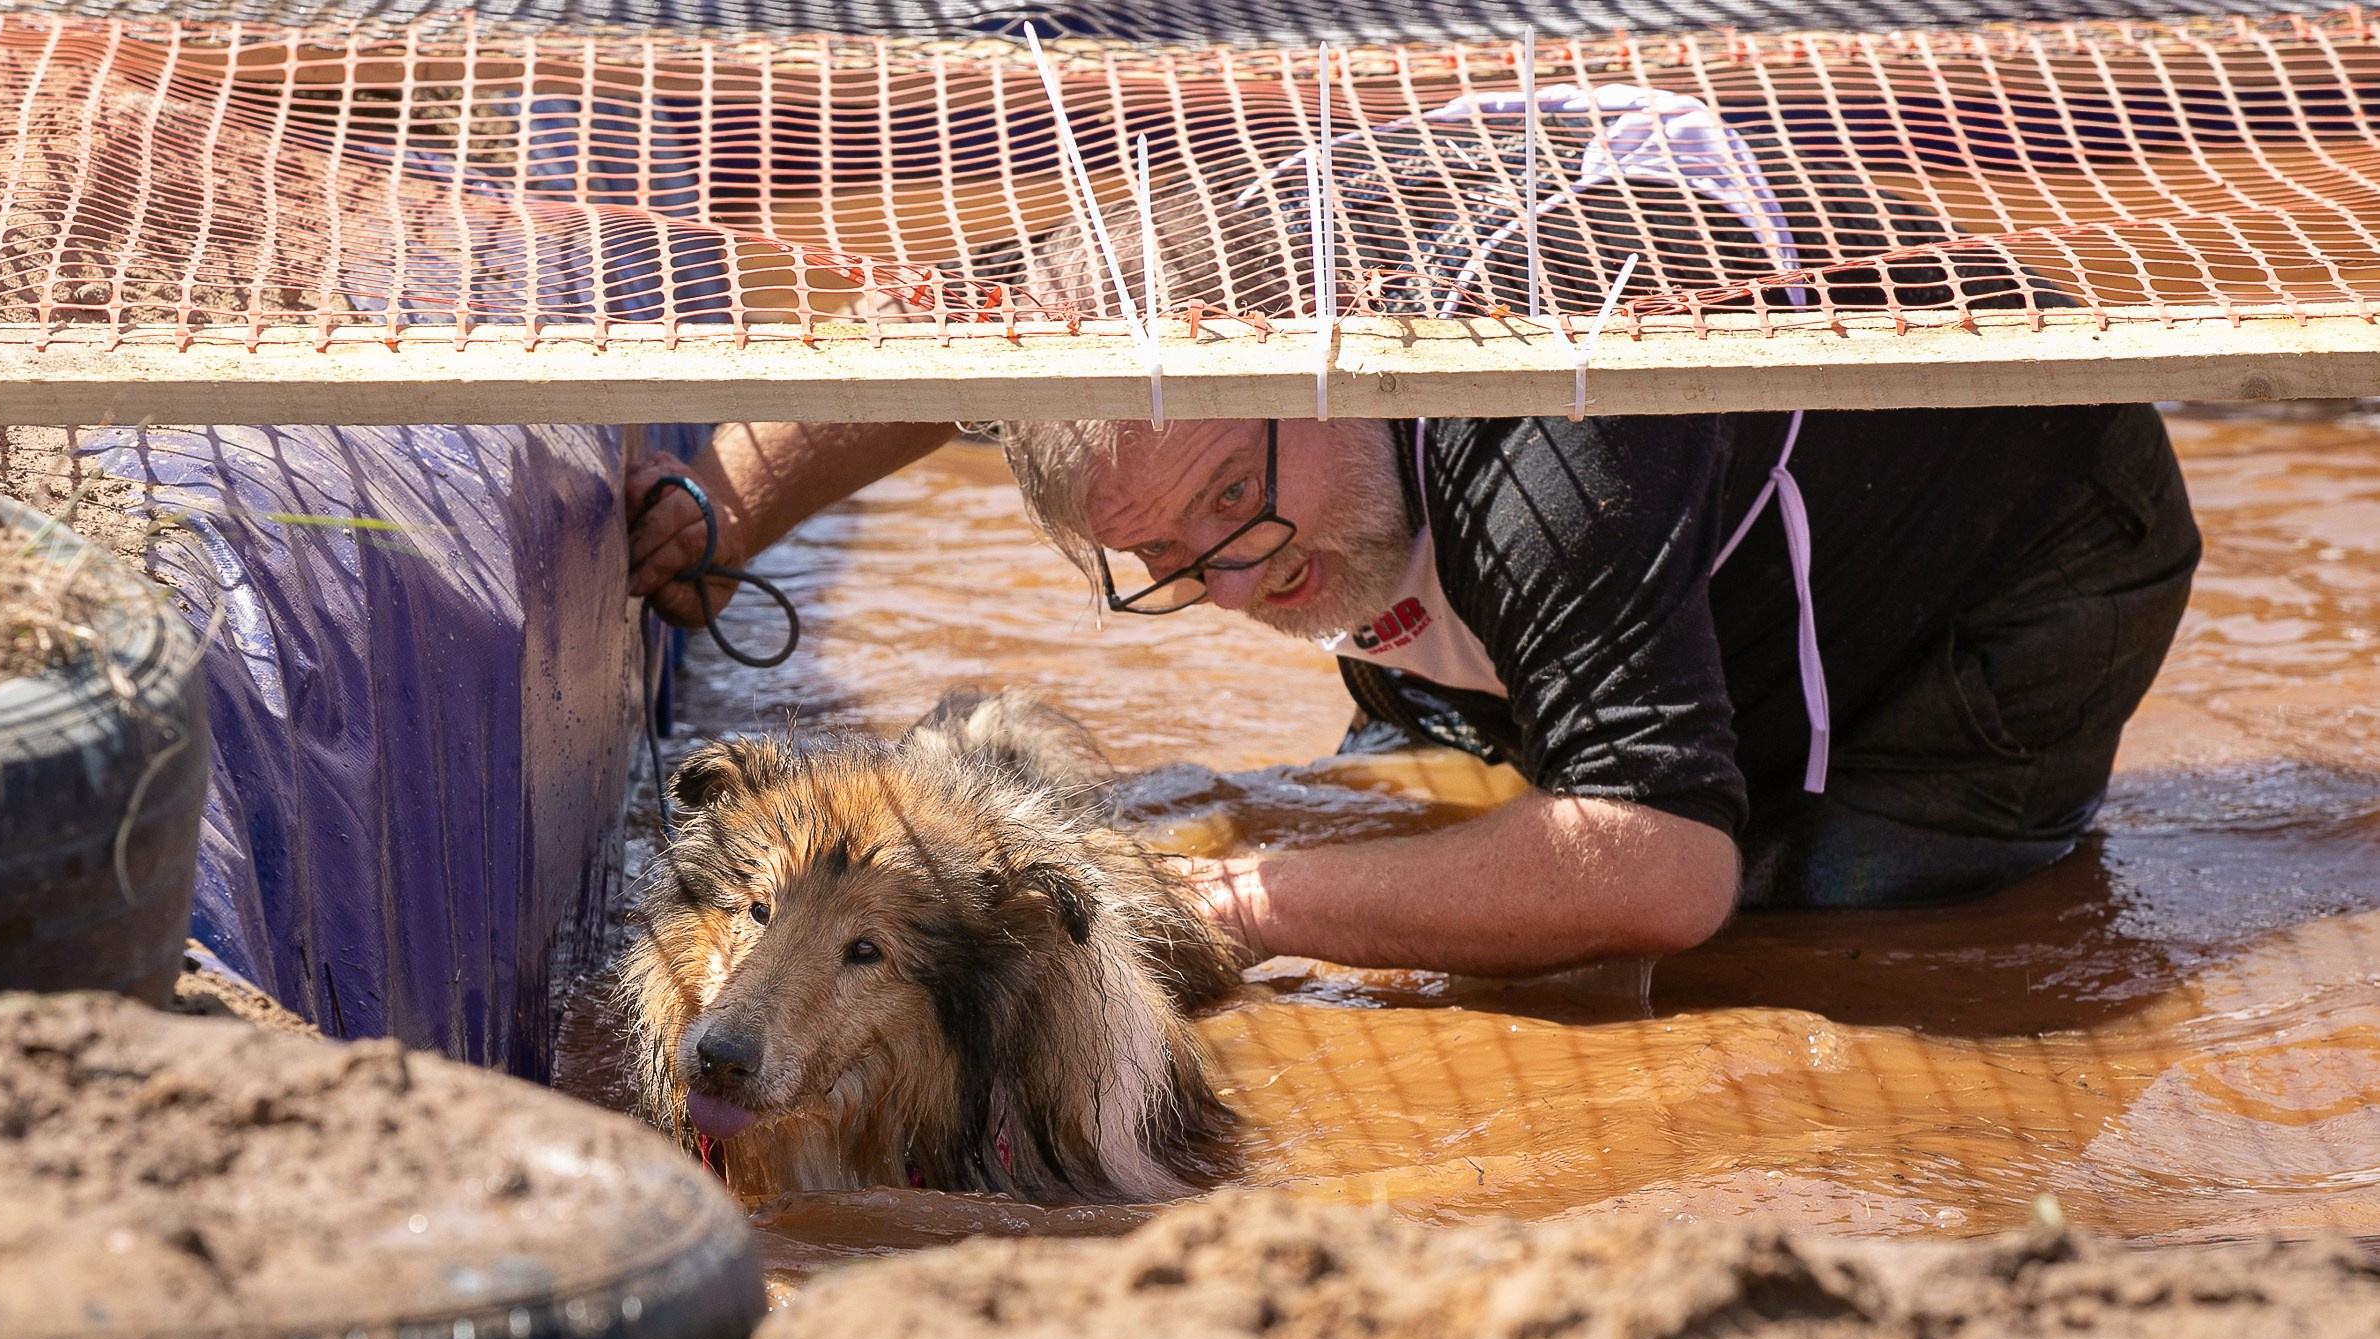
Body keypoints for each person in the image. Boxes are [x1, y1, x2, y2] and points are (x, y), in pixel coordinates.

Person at [625, 146, 2200, 979]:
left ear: (1332, 368)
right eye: (1158, 558)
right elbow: (931, 342)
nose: (1230, 588)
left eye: (1232, 503)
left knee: (1793, 925)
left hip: (2013, 568)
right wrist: (717, 519)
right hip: (1504, 506)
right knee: (1415, 800)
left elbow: (1664, 867)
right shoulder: (1178, 355)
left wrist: (1232, 901)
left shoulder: (1544, 461)